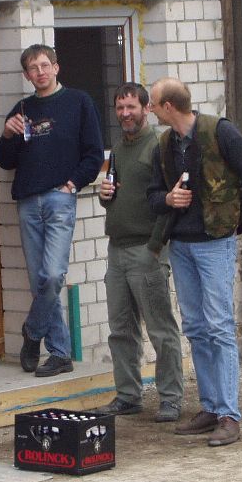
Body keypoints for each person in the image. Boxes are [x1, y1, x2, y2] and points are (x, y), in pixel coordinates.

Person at [146, 78, 242, 447]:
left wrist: (235, 220)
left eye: (153, 103)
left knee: (219, 327)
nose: (150, 109)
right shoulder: (165, 144)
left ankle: (229, 415)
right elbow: (152, 195)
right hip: (181, 245)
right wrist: (168, 199)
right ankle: (211, 407)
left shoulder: (220, 132)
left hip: (214, 244)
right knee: (197, 328)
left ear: (169, 107)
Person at [0, 44, 104, 377]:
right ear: (27, 75)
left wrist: (72, 184)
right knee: (39, 281)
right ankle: (60, 353)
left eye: (45, 65)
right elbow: (5, 161)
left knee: (53, 275)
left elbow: (94, 154)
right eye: (33, 68)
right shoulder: (22, 109)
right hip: (28, 201)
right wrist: (7, 135)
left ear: (56, 67)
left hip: (60, 198)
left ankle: (32, 333)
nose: (40, 72)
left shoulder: (78, 102)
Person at [90, 82, 184, 422]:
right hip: (117, 250)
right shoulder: (117, 148)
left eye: (131, 107)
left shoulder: (159, 146)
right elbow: (117, 196)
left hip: (147, 250)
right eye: (120, 108)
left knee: (161, 330)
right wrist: (104, 196)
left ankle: (171, 399)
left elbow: (172, 200)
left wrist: (156, 247)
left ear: (147, 109)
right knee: (121, 331)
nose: (125, 113)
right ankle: (128, 395)